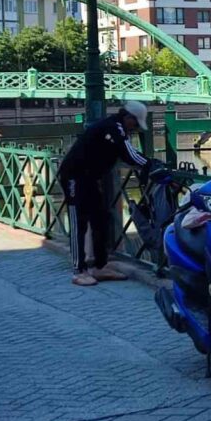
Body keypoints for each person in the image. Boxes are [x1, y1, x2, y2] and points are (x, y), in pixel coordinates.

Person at [59, 100, 157, 286]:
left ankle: (99, 266)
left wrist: (146, 163)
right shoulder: (113, 127)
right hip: (74, 176)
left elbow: (124, 152)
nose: (135, 129)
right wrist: (150, 163)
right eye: (136, 124)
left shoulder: (115, 127)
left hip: (89, 178)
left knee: (100, 218)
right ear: (128, 118)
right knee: (78, 221)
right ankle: (78, 271)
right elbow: (128, 153)